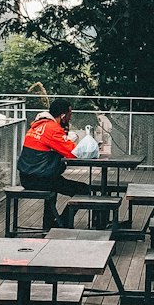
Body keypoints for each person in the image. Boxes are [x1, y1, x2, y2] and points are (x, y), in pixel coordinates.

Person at [17, 97, 90, 229]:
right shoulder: (53, 129)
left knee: (55, 184)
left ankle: (49, 224)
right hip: (40, 179)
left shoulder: (37, 125)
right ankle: (62, 224)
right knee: (84, 190)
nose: (70, 118)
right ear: (63, 116)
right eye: (69, 115)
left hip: (26, 177)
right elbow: (73, 153)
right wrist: (72, 139)